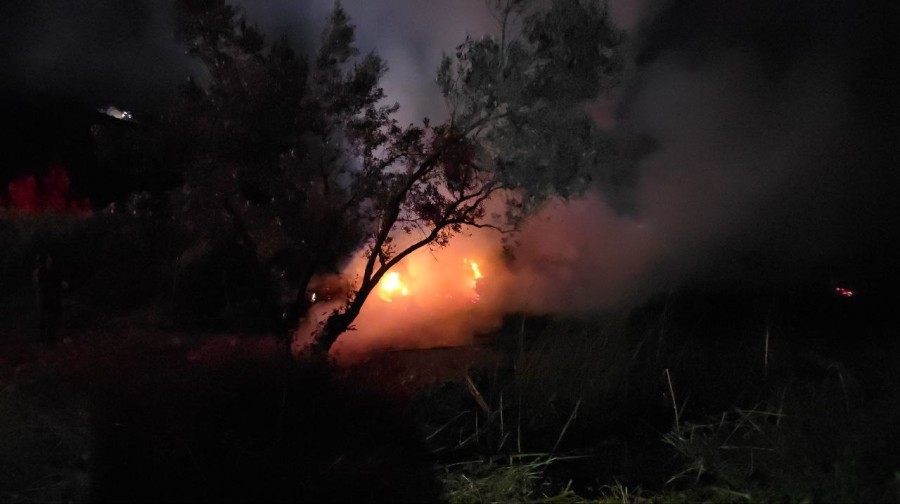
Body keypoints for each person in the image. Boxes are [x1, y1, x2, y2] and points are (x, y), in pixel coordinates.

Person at [33, 253, 63, 345]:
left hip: (45, 297)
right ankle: (47, 340)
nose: (50, 263)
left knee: (46, 318)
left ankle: (45, 339)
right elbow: (42, 285)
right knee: (46, 318)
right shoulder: (40, 272)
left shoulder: (45, 271)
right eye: (48, 261)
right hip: (44, 298)